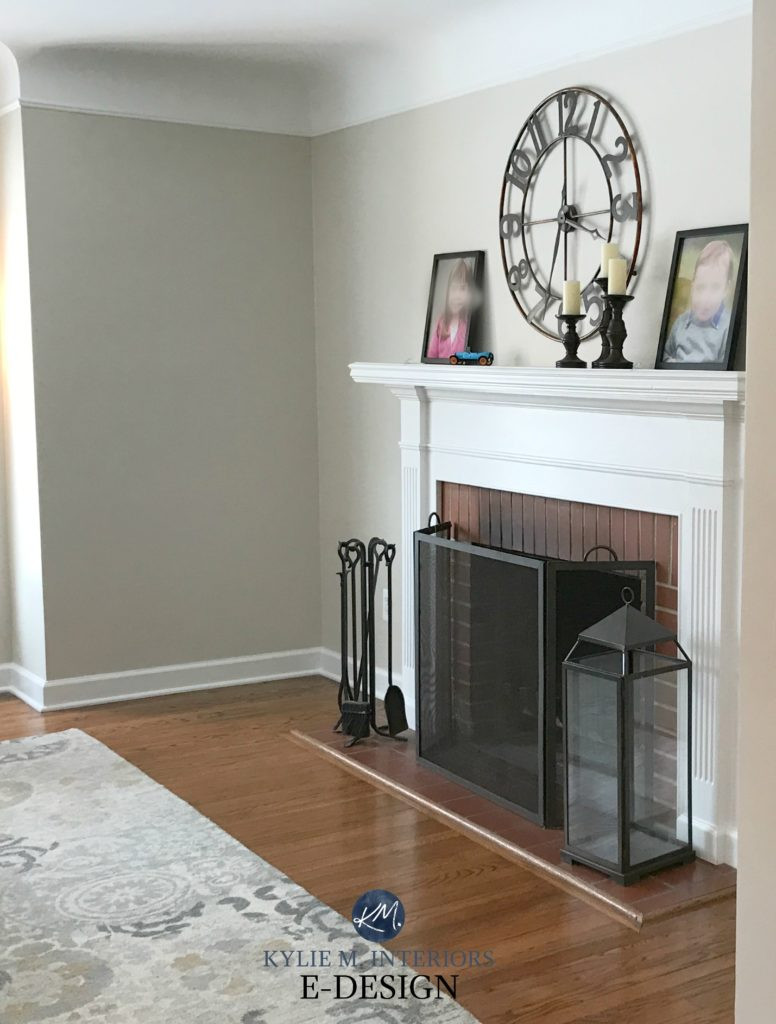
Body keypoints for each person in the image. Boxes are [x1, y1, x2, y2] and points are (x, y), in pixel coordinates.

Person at [663, 240, 735, 364]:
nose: (705, 298)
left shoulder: (727, 328)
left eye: (715, 288)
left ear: (725, 290)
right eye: (701, 287)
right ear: (693, 286)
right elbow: (664, 357)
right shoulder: (681, 323)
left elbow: (724, 377)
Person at [426, 259, 474, 359]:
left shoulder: (469, 324)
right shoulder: (442, 322)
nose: (457, 296)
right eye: (454, 289)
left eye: (462, 289)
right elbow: (431, 356)